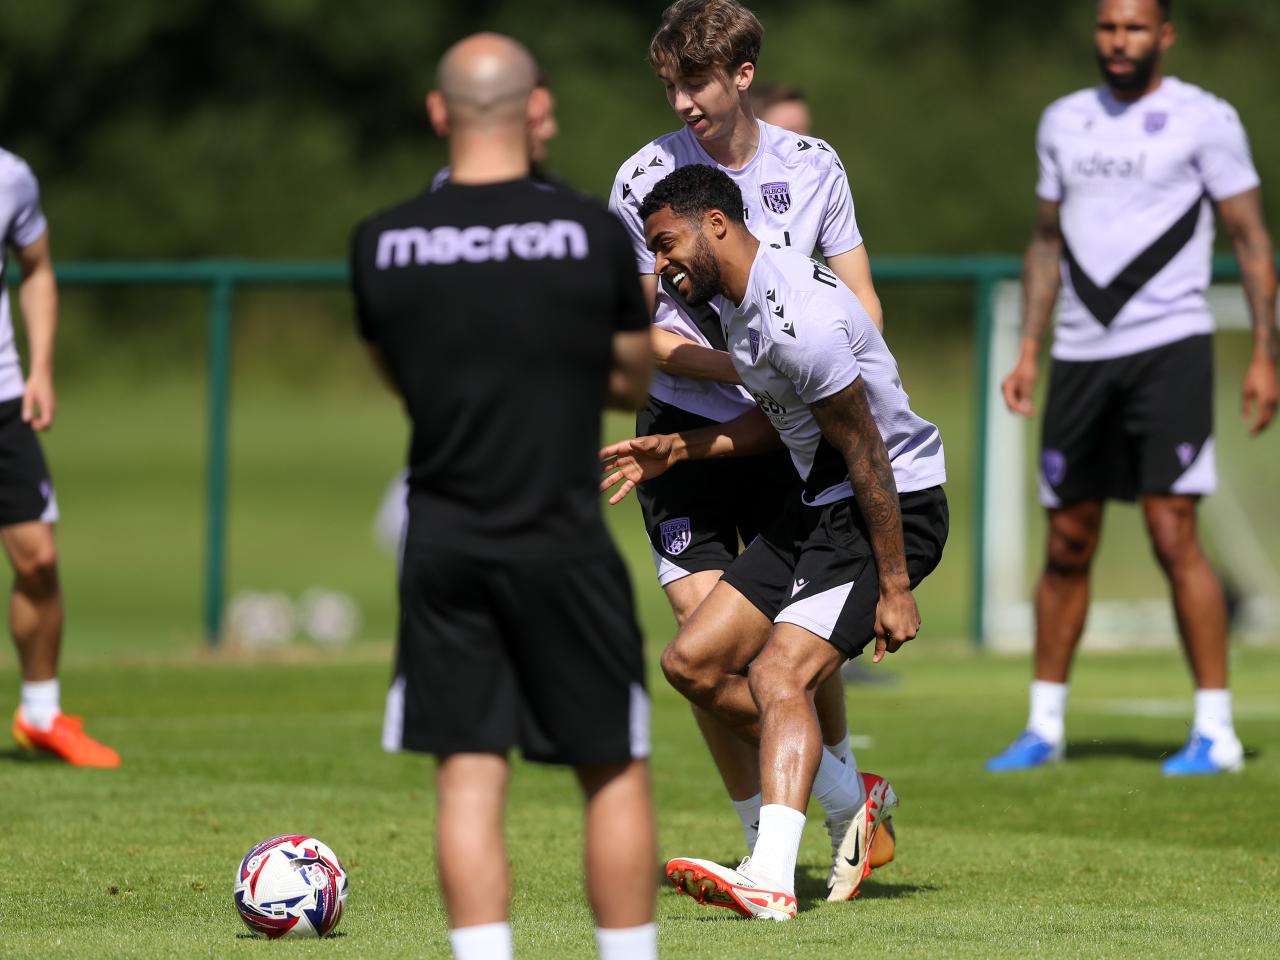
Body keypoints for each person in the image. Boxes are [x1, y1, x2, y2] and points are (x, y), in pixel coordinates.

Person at [350, 35, 656, 960]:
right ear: (533, 111)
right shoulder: (590, 233)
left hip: (441, 540)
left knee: (470, 778)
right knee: (611, 771)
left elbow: (400, 377)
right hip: (562, 534)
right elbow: (627, 377)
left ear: (439, 113)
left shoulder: (382, 241)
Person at [603, 164, 947, 918]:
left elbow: (867, 452)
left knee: (780, 673)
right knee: (691, 662)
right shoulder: (742, 308)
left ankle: (769, 877)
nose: (658, 266)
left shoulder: (797, 315)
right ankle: (849, 795)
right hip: (821, 505)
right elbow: (780, 420)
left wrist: (895, 585)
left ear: (715, 224)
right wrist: (681, 450)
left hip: (885, 506)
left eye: (665, 245)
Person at [608, 0, 890, 874]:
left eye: (696, 81)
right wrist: (750, 369)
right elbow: (639, 332)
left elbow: (859, 296)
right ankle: (801, 820)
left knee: (794, 639)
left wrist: (836, 381)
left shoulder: (813, 167)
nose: (683, 101)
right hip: (682, 426)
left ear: (742, 74)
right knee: (705, 646)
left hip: (788, 432)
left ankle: (824, 804)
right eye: (670, 84)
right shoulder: (641, 179)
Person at [986, 0, 1277, 776]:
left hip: (1170, 349)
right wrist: (1028, 351)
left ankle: (1214, 731)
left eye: (1135, 28)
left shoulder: (1205, 119)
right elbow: (1046, 241)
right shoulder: (1062, 121)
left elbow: (1250, 239)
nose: (1119, 42)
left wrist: (1264, 356)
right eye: (1108, 28)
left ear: (1164, 35)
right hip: (1080, 359)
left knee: (1172, 530)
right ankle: (1044, 725)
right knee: (1067, 538)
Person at [372, 72, 560, 557]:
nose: (548, 129)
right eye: (539, 115)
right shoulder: (425, 224)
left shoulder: (562, 218)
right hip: (468, 470)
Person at [2, 149, 119, 768]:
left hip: (2, 400)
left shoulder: (11, 176)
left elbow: (37, 267)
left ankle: (41, 715)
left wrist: (40, 366)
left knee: (39, 558)